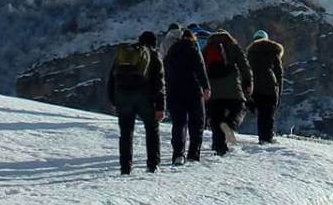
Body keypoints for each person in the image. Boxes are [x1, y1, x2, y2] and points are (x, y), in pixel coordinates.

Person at [107, 31, 165, 174]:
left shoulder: (125, 55)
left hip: (123, 98)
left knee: (126, 133)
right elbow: (159, 83)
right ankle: (153, 165)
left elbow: (111, 79)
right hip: (144, 99)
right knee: (152, 130)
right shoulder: (153, 55)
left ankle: (125, 167)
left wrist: (114, 101)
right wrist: (160, 107)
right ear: (154, 43)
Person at [161, 28, 210, 164]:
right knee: (197, 123)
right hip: (193, 90)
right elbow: (200, 68)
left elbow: (165, 71)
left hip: (174, 91)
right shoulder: (193, 48)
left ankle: (178, 154)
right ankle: (193, 154)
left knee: (179, 123)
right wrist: (206, 87)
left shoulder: (172, 50)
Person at [201, 30, 253, 155]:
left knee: (216, 118)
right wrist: (247, 82)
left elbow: (200, 68)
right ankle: (230, 125)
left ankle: (219, 146)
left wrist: (203, 87)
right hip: (232, 89)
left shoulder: (206, 49)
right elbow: (244, 65)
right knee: (239, 108)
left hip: (212, 90)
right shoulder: (233, 47)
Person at [245, 29, 286, 143]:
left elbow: (245, 72)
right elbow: (279, 72)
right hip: (269, 86)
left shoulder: (250, 53)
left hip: (255, 87)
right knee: (268, 113)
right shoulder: (273, 51)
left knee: (260, 113)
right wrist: (279, 91)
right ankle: (267, 138)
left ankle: (262, 137)